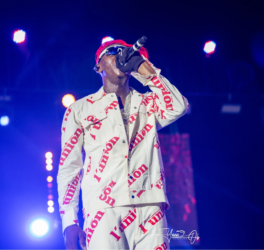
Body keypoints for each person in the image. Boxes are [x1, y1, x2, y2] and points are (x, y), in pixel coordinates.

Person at [57, 39, 188, 249]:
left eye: (125, 53)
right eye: (112, 52)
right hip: (103, 209)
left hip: (150, 205)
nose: (120, 56)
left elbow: (178, 106)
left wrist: (141, 66)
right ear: (98, 65)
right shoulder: (79, 109)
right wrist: (69, 221)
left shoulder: (148, 103)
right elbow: (69, 168)